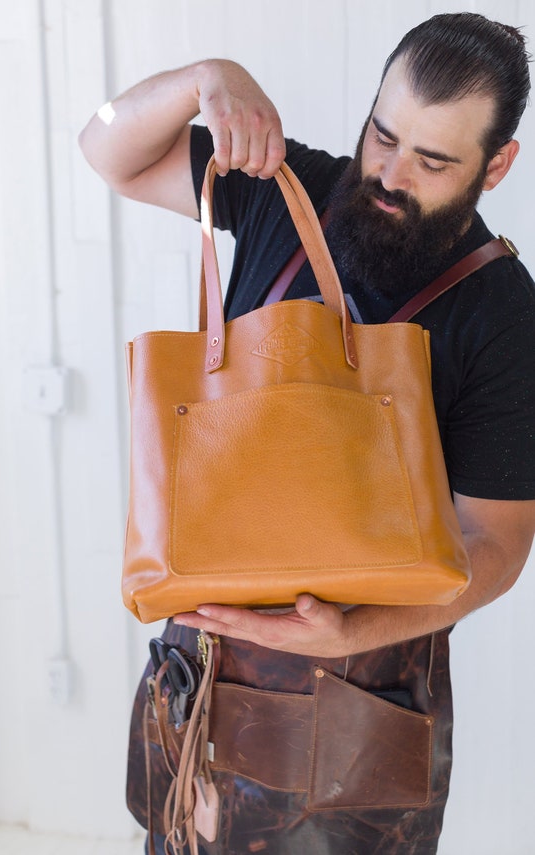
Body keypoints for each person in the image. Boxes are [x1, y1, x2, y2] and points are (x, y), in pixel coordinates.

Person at [80, 12, 535, 855]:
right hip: (209, 670)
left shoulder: (503, 312)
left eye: (433, 161)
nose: (391, 175)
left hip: (371, 699)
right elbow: (107, 148)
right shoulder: (287, 191)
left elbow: (498, 542)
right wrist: (204, 78)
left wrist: (351, 630)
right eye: (383, 135)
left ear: (497, 164)